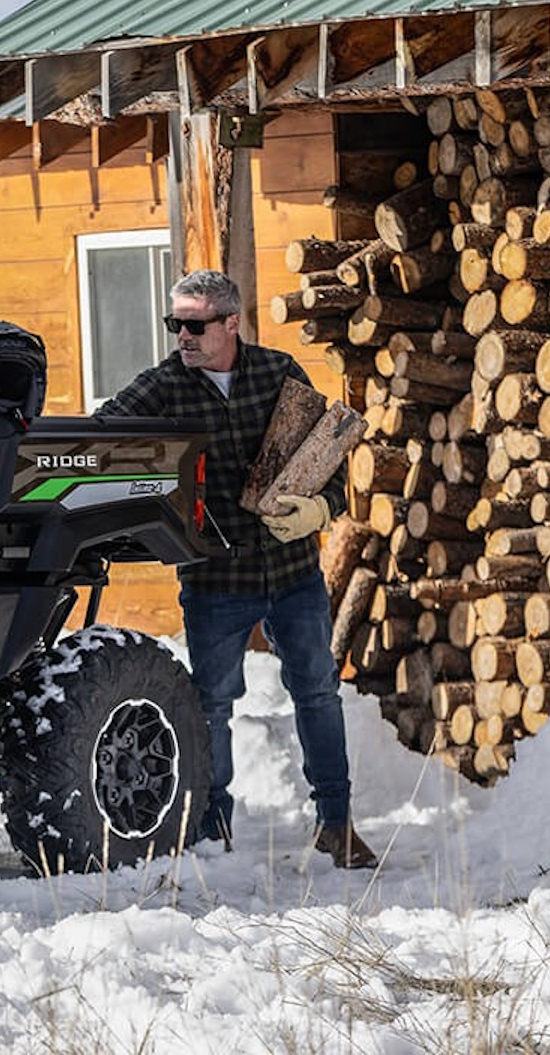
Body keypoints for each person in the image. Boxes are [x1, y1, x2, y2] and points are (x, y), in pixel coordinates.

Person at [96, 269, 377, 869]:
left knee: (317, 692)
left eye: (194, 325)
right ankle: (211, 828)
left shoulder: (279, 375)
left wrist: (320, 511)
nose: (182, 336)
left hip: (293, 573)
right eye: (174, 323)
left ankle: (336, 824)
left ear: (231, 323)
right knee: (212, 704)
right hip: (215, 580)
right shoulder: (163, 386)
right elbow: (103, 435)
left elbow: (330, 462)